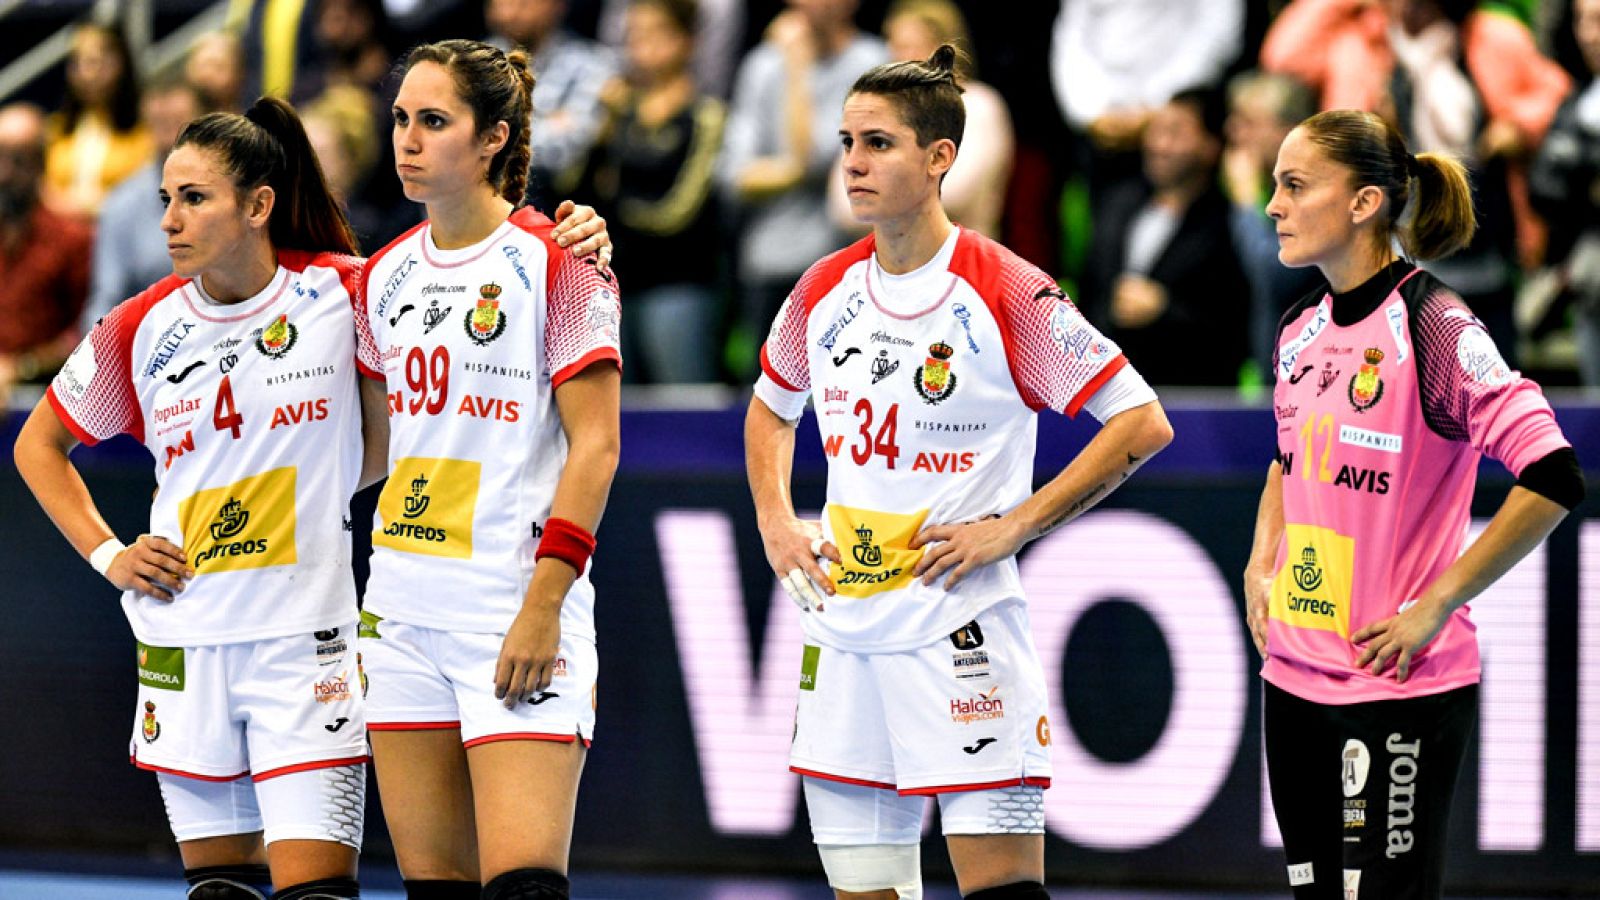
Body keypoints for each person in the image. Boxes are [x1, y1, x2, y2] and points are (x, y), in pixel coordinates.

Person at [747, 46, 1173, 899]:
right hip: (844, 635)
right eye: (846, 142)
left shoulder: (1003, 286)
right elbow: (770, 409)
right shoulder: (825, 287)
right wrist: (777, 523)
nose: (853, 163)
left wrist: (1014, 526)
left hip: (959, 632)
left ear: (941, 157)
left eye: (878, 144)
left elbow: (1141, 422)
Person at [15, 96, 374, 900]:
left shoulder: (341, 292)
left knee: (317, 894)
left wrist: (573, 238)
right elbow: (38, 446)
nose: (169, 220)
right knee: (218, 893)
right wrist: (110, 554)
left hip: (303, 644)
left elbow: (459, 279)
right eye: (165, 198)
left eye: (194, 198)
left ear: (258, 205)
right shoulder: (140, 325)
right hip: (186, 641)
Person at [1242, 109, 1585, 899]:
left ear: (1364, 203)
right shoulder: (1298, 330)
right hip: (1294, 680)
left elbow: (1554, 475)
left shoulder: (1433, 326)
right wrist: (1261, 564)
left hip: (1396, 684)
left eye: (1294, 185)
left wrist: (1435, 605)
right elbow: (1287, 463)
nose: (1273, 205)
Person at [354, 39, 622, 900]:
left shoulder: (561, 264)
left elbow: (598, 447)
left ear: (493, 139)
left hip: (511, 609)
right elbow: (371, 449)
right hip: (402, 613)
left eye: (434, 121)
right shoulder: (382, 276)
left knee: (525, 889)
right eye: (402, 118)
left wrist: (544, 606)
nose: (408, 139)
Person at [719, 0, 886, 375]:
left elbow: (817, 155)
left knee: (841, 391)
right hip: (765, 263)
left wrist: (797, 68)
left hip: (845, 265)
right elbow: (733, 174)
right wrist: (797, 170)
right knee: (769, 392)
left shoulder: (871, 63)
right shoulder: (762, 64)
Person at [580, 0, 724, 384]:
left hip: (676, 280)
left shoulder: (703, 115)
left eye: (656, 32)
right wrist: (603, 125)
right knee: (614, 403)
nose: (642, 44)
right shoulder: (616, 110)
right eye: (634, 34)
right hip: (610, 280)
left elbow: (678, 210)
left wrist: (612, 214)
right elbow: (578, 185)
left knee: (682, 402)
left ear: (687, 40)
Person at [1077, 88, 1251, 387]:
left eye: (1175, 133)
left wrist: (1165, 311)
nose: (1159, 145)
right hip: (1106, 389)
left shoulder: (1230, 225)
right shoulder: (1117, 204)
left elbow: (1237, 326)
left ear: (1211, 146)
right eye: (1154, 131)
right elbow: (1088, 290)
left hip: (1192, 394)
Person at [826, 0, 1014, 241]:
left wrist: (875, 195)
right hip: (891, 258)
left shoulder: (978, 105)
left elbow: (954, 194)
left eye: (913, 47)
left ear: (945, 50)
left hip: (964, 254)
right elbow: (843, 208)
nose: (903, 59)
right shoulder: (875, 111)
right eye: (896, 48)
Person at [83, 72, 205, 334]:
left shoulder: (233, 193)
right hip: (152, 342)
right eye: (159, 122)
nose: (169, 132)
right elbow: (105, 300)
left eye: (177, 122)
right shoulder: (121, 204)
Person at [0, 102, 93, 405]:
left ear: (40, 164)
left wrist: (21, 368)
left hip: (44, 398)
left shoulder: (72, 238)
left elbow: (86, 333)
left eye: (17, 161)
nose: (4, 174)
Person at [43, 22, 153, 217]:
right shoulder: (56, 127)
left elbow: (147, 192)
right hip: (62, 228)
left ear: (120, 63)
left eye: (94, 62)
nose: (85, 73)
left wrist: (87, 208)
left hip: (121, 225)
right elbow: (41, 188)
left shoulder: (146, 129)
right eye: (76, 63)